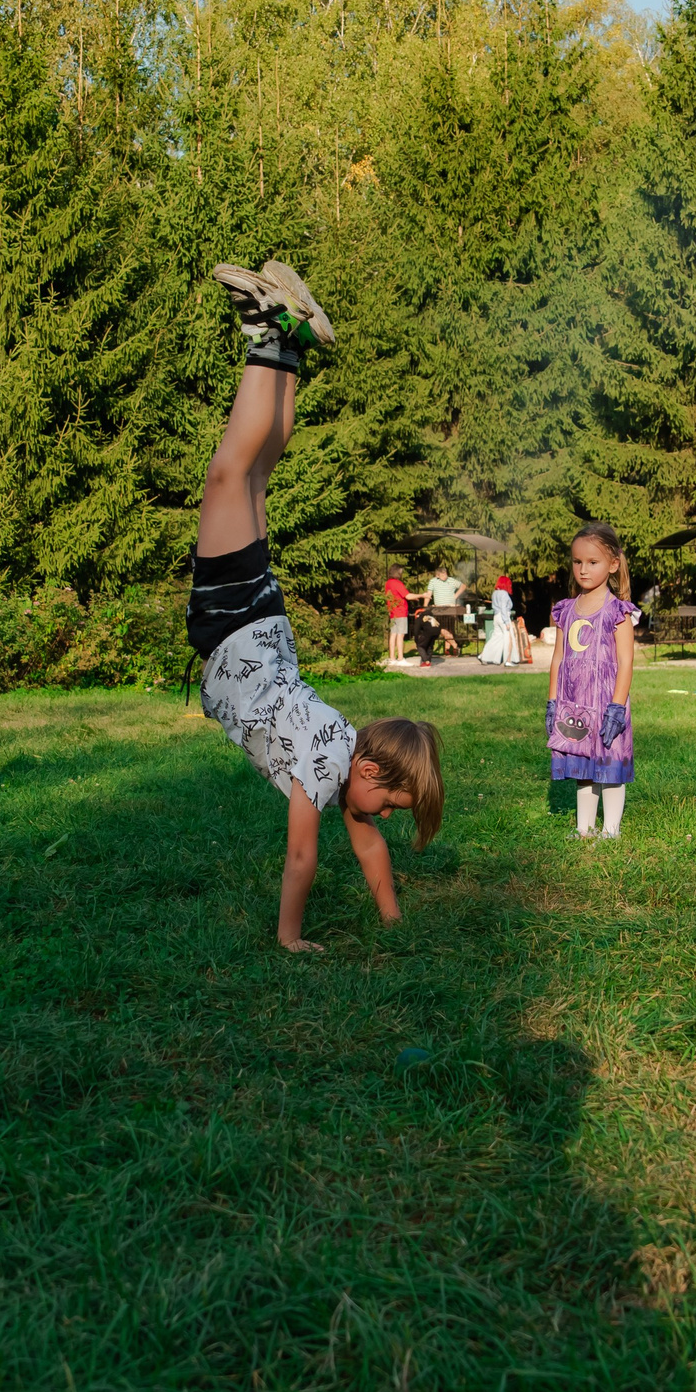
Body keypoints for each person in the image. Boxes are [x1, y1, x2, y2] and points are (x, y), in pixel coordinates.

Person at [194, 261, 444, 951]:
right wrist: (290, 938)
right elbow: (301, 855)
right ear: (369, 771)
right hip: (236, 630)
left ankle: (286, 341)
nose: (383, 819)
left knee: (255, 479)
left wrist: (393, 921)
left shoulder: (345, 754)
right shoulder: (331, 763)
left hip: (262, 631)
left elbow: (367, 853)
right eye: (391, 804)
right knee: (230, 476)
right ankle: (266, 334)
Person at [547, 523, 639, 838]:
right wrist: (552, 702)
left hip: (608, 703)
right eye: (577, 562)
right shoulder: (565, 610)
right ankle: (584, 829)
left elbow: (626, 661)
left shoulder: (619, 612)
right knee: (582, 769)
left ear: (613, 564)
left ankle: (611, 830)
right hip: (575, 704)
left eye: (593, 562)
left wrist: (617, 706)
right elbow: (557, 658)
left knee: (611, 767)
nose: (583, 570)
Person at [478, 570, 522, 665]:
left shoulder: (495, 593)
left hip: (496, 617)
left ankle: (483, 655)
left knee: (496, 638)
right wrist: (506, 622)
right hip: (503, 616)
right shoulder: (504, 594)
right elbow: (503, 608)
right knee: (509, 638)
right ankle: (508, 660)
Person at [384, 566, 412, 666]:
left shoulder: (388, 583)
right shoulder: (397, 583)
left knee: (393, 634)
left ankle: (392, 658)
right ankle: (400, 658)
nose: (401, 574)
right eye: (401, 572)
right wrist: (421, 595)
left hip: (392, 612)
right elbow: (407, 596)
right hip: (401, 612)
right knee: (401, 635)